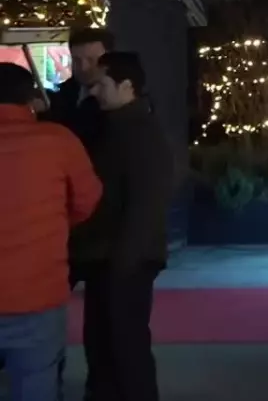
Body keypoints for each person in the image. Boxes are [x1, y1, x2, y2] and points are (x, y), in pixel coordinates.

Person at [71, 52, 181, 401]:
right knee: (105, 342)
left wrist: (123, 261)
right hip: (109, 257)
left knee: (125, 344)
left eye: (102, 84)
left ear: (127, 86)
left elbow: (145, 206)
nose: (94, 92)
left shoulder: (139, 134)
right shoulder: (116, 127)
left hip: (124, 258)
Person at [0, 63, 102, 401]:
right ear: (31, 98)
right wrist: (55, 223)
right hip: (38, 290)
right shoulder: (58, 140)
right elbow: (87, 199)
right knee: (35, 384)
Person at [43, 28, 113, 153]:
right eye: (76, 60)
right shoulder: (64, 91)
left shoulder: (117, 101)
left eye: (92, 60)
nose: (83, 67)